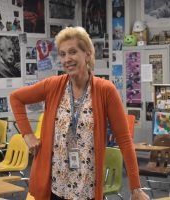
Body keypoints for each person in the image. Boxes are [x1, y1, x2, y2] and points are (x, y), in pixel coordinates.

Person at [10, 26, 149, 200]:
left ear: (88, 54)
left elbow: (124, 140)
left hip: (86, 187)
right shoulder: (53, 85)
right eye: (62, 54)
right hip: (55, 184)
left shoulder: (105, 90)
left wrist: (136, 188)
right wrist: (27, 135)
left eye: (73, 52)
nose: (67, 59)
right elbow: (16, 98)